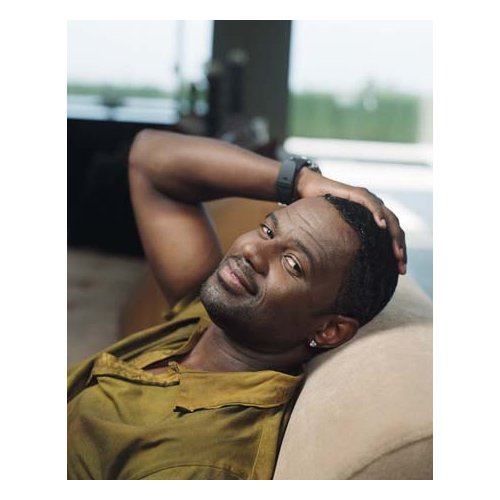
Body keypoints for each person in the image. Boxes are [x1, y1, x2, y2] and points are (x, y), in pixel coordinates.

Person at [67, 130, 407, 480]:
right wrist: (300, 181)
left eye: (292, 263)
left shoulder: (196, 458)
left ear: (329, 330)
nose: (251, 251)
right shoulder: (214, 318)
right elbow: (150, 157)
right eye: (267, 230)